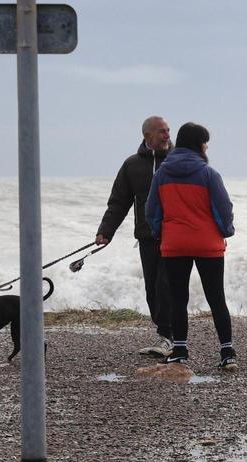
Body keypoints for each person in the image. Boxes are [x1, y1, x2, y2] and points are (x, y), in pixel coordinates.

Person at [144, 122, 237, 370]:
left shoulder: (162, 174)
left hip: (174, 244)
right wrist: (226, 231)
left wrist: (158, 233)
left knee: (178, 298)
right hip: (208, 244)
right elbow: (224, 208)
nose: (207, 146)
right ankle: (227, 352)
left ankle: (180, 350)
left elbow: (152, 209)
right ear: (199, 144)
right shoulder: (209, 174)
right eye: (206, 141)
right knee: (216, 297)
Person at [96, 115, 174, 357]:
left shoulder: (178, 161)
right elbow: (119, 201)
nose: (167, 135)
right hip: (147, 237)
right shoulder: (132, 165)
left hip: (175, 236)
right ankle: (165, 335)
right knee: (152, 289)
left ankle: (170, 337)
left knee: (166, 286)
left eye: (168, 130)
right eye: (161, 131)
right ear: (147, 136)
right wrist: (105, 231)